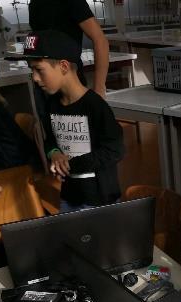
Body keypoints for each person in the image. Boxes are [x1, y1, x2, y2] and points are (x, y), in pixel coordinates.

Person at [11, 30, 124, 213]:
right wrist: (54, 153)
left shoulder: (95, 106)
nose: (35, 78)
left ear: (63, 66)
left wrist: (72, 164)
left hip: (101, 200)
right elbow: (50, 141)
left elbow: (115, 150)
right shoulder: (52, 104)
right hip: (69, 197)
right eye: (32, 70)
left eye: (39, 70)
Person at [28, 0, 110, 97]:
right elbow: (38, 40)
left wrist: (99, 89)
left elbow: (100, 40)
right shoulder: (34, 3)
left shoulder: (72, 2)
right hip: (44, 83)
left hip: (70, 82)